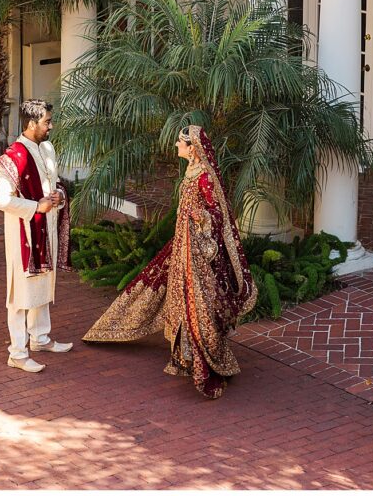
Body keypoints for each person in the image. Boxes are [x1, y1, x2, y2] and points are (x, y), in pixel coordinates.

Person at [83, 124, 258, 398]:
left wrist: (199, 221)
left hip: (197, 258)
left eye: (180, 142)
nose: (176, 145)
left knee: (196, 306)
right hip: (183, 250)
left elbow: (217, 216)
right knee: (173, 296)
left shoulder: (205, 177)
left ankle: (204, 363)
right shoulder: (191, 171)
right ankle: (182, 356)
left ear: (193, 149)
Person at [0, 99, 73, 373]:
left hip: (45, 228)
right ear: (30, 124)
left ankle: (40, 338)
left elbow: (54, 182)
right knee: (20, 293)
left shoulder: (47, 148)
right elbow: (0, 199)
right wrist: (36, 207)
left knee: (42, 282)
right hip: (23, 233)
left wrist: (59, 195)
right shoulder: (13, 158)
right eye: (46, 122)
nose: (51, 126)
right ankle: (17, 352)